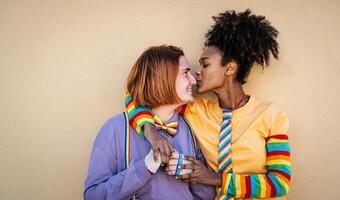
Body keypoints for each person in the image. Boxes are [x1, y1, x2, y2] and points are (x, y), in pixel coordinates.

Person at [125, 9, 291, 200]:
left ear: (230, 68)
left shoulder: (271, 115)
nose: (197, 72)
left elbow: (280, 183)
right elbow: (138, 95)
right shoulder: (195, 110)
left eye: (205, 64)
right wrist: (151, 133)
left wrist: (213, 178)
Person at [83, 45, 215, 200]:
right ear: (163, 78)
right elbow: (93, 196)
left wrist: (194, 175)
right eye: (185, 73)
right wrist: (147, 165)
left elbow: (206, 196)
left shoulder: (192, 127)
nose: (193, 80)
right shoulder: (115, 129)